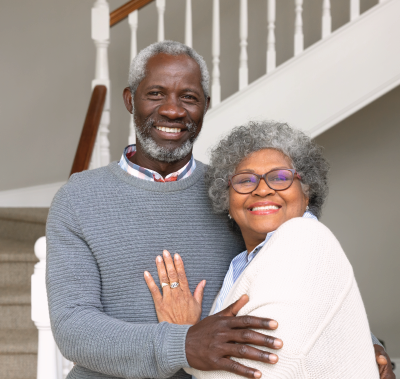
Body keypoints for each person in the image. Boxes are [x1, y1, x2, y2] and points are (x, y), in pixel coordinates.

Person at [46, 41, 393, 379]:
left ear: (205, 105)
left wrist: (365, 345)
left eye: (188, 97)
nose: (172, 110)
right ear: (129, 99)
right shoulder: (78, 198)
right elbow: (73, 326)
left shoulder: (236, 193)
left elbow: (307, 277)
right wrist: (182, 343)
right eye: (155, 93)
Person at [144, 121, 393, 378]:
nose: (262, 190)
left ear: (307, 192)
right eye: (245, 180)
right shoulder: (246, 262)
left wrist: (186, 339)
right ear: (227, 200)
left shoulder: (303, 238)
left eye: (280, 177)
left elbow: (267, 369)